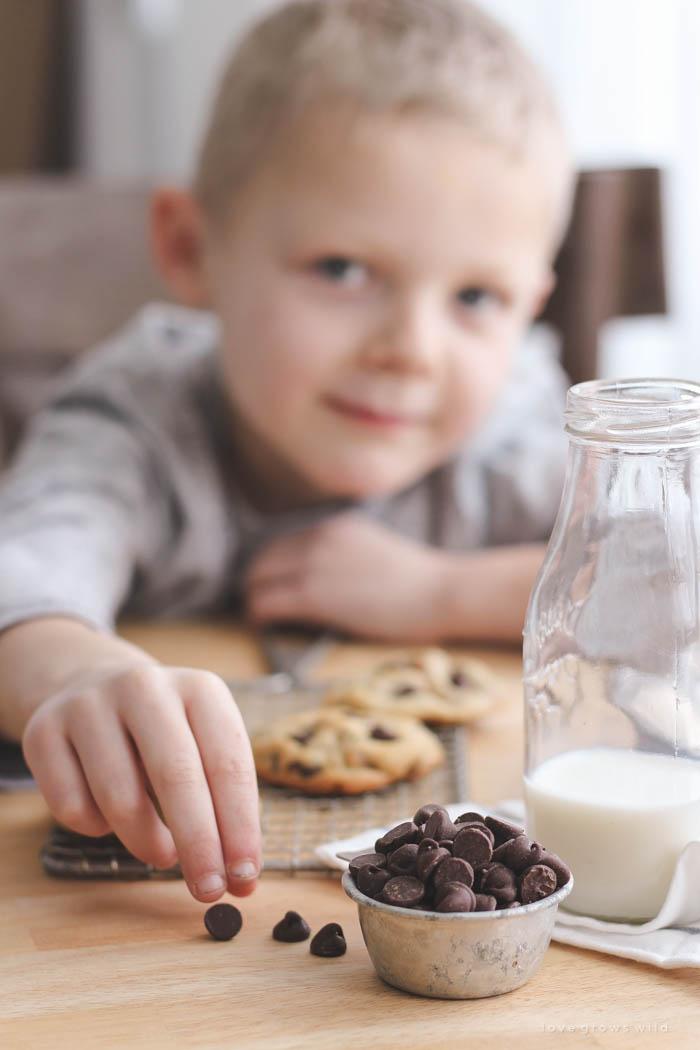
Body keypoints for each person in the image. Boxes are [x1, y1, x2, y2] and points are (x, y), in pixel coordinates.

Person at [0, 0, 573, 904]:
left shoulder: (511, 436)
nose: (413, 350)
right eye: (343, 270)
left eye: (476, 297)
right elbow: (23, 566)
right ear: (192, 249)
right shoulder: (142, 419)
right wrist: (79, 671)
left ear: (532, 304)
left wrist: (439, 592)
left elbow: (671, 578)